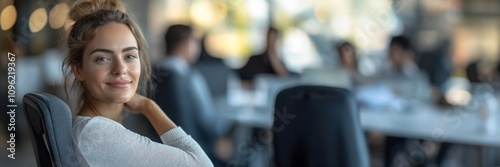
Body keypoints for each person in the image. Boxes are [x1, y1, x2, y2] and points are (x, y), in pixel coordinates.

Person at [62, 0, 212, 166]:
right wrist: (149, 107)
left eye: (130, 56)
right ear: (78, 70)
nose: (120, 69)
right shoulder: (97, 134)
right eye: (102, 58)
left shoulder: (89, 129)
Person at [154, 24, 233, 165]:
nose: (198, 46)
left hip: (160, 149)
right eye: (195, 41)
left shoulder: (152, 73)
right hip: (199, 151)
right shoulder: (189, 77)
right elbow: (209, 121)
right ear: (186, 44)